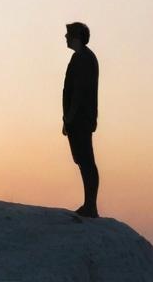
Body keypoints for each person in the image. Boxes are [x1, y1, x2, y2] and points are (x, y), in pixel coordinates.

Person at [62, 21, 99, 217]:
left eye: (68, 34)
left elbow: (79, 92)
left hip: (80, 118)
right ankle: (89, 204)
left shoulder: (84, 58)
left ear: (77, 36)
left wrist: (70, 116)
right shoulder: (80, 57)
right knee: (83, 161)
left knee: (86, 161)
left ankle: (90, 205)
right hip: (77, 118)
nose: (65, 37)